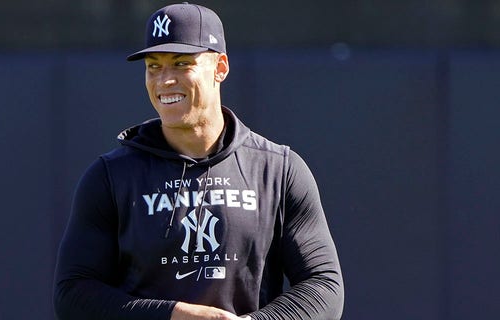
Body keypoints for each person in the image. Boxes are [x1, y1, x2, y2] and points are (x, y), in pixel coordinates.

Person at [53, 3, 344, 319]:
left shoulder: (278, 170)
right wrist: (173, 315)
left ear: (220, 68)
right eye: (154, 66)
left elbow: (324, 286)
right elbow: (73, 293)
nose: (164, 80)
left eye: (181, 64)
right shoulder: (111, 176)